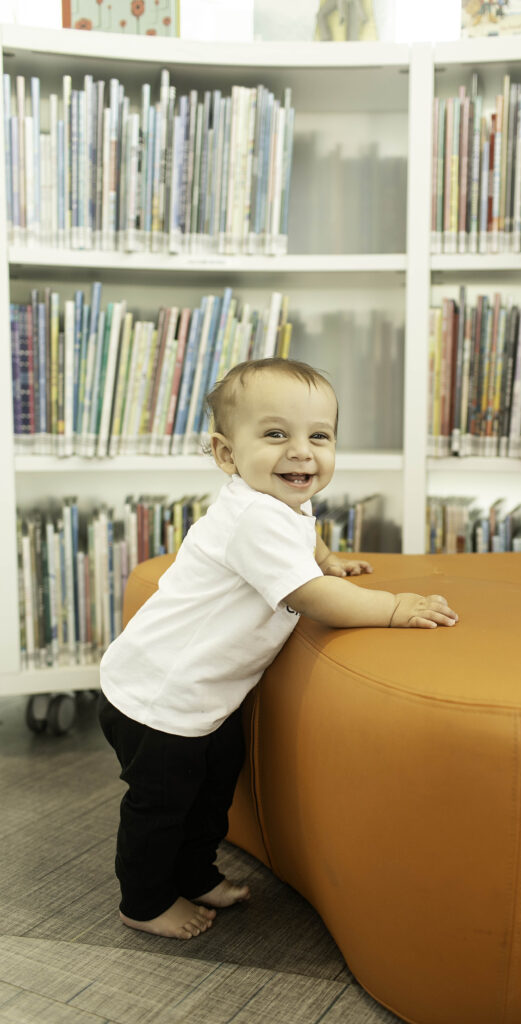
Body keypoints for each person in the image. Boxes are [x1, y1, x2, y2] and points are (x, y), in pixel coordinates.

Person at [99, 357, 458, 941]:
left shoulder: (279, 502)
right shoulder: (250, 519)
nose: (301, 452)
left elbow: (303, 533)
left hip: (202, 697)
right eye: (275, 434)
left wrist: (327, 557)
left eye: (319, 435)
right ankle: (143, 900)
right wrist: (394, 608)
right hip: (157, 699)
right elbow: (313, 598)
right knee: (161, 808)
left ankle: (195, 872)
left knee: (212, 794)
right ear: (226, 454)